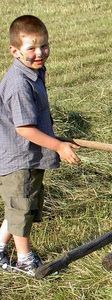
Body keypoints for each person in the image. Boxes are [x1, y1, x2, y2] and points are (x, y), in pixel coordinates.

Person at [0, 15, 81, 275]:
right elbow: (24, 128)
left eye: (44, 45)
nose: (40, 53)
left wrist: (57, 139)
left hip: (29, 156)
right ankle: (25, 260)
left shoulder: (33, 71)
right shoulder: (19, 83)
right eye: (31, 48)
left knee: (21, 204)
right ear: (14, 51)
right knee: (22, 209)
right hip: (18, 158)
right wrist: (57, 146)